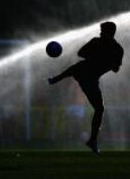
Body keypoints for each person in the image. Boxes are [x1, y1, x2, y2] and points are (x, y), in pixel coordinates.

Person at [48, 21, 124, 153]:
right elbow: (81, 53)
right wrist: (99, 57)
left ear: (110, 32)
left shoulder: (117, 49)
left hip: (91, 80)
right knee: (79, 68)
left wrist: (108, 62)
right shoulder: (96, 42)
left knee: (99, 109)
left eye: (103, 31)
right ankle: (56, 78)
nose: (100, 33)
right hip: (86, 73)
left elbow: (116, 68)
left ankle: (92, 140)